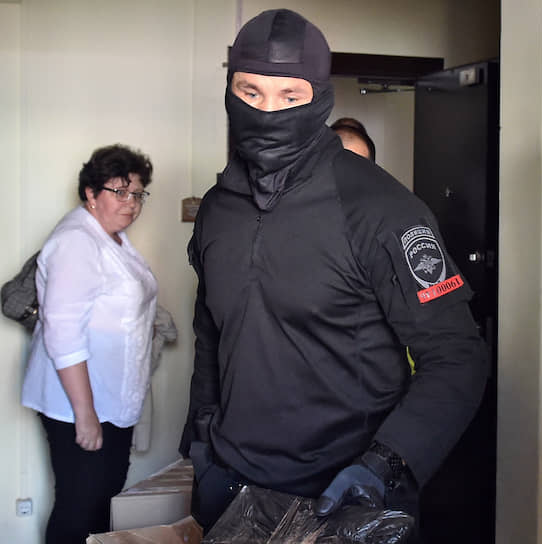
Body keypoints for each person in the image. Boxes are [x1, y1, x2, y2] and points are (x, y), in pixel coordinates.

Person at [179, 8, 489, 534]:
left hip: (346, 495)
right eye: (251, 92)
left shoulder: (381, 208)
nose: (267, 112)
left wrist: (385, 464)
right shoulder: (217, 208)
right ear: (230, 90)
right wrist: (201, 441)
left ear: (320, 98)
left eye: (289, 96)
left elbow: (458, 355)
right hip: (231, 485)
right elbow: (211, 331)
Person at [21, 144, 157, 544]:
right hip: (79, 404)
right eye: (120, 191)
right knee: (78, 507)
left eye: (138, 194)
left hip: (111, 399)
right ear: (91, 193)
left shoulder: (111, 238)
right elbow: (63, 332)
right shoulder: (76, 241)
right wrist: (85, 414)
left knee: (101, 500)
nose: (131, 203)